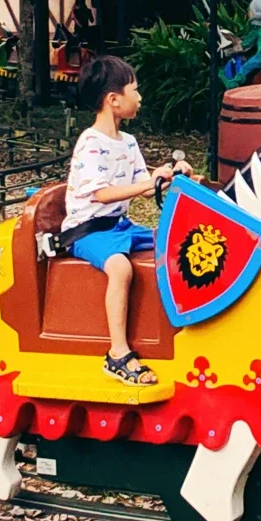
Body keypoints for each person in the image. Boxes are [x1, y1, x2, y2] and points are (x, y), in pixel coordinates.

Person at [62, 55, 184, 387]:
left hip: (119, 226)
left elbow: (144, 187)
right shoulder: (90, 142)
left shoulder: (128, 142)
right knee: (120, 268)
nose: (140, 97)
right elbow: (101, 194)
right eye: (135, 90)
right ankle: (117, 353)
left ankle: (175, 329)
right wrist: (149, 182)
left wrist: (171, 175)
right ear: (114, 100)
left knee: (173, 243)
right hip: (87, 230)